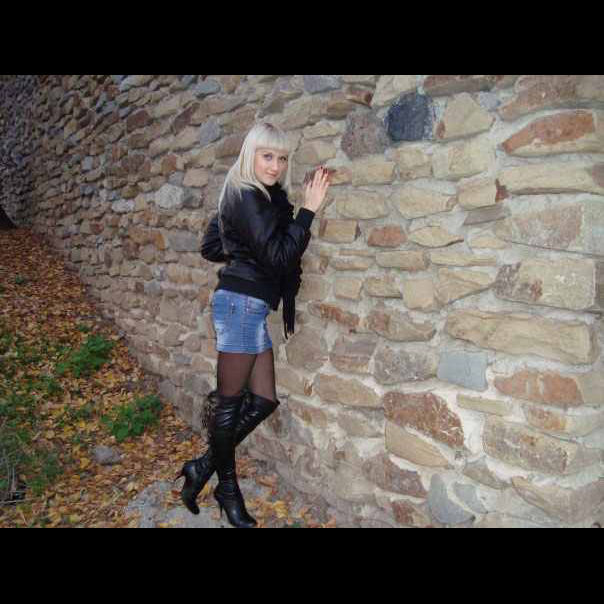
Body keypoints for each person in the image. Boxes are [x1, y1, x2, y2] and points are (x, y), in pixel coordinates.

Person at [176, 122, 330, 527]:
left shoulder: (255, 197)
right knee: (229, 405)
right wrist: (308, 210)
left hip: (250, 306)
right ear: (250, 154)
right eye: (267, 156)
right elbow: (279, 257)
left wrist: (246, 251)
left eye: (282, 158)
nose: (276, 166)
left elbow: (213, 246)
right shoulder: (246, 194)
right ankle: (228, 491)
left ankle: (201, 467)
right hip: (240, 306)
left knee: (263, 400)